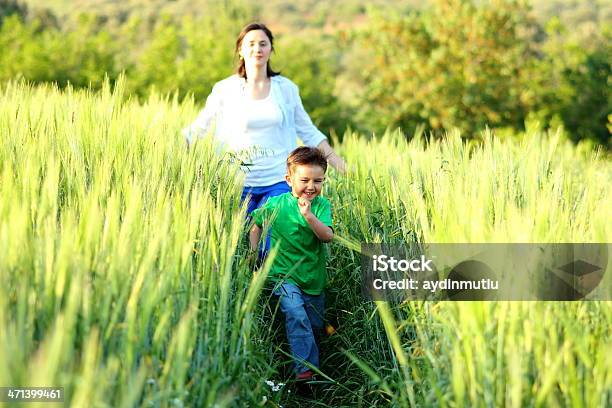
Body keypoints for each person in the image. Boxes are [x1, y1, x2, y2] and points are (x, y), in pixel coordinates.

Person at [183, 22, 346, 250]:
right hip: (235, 182)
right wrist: (173, 151)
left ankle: (274, 284)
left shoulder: (286, 89)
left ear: (271, 49)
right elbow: (198, 129)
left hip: (278, 181)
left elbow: (307, 130)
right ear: (240, 49)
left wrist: (339, 163)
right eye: (250, 44)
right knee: (240, 247)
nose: (257, 49)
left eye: (263, 43)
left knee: (271, 247)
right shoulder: (224, 90)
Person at [249, 147, 333, 381]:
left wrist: (308, 216)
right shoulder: (276, 204)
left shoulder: (322, 207)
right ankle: (305, 373)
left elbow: (327, 236)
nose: (311, 186)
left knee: (313, 326)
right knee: (296, 314)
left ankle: (310, 366)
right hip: (283, 276)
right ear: (289, 179)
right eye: (304, 180)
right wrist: (254, 253)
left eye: (318, 181)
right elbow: (255, 225)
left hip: (313, 279)